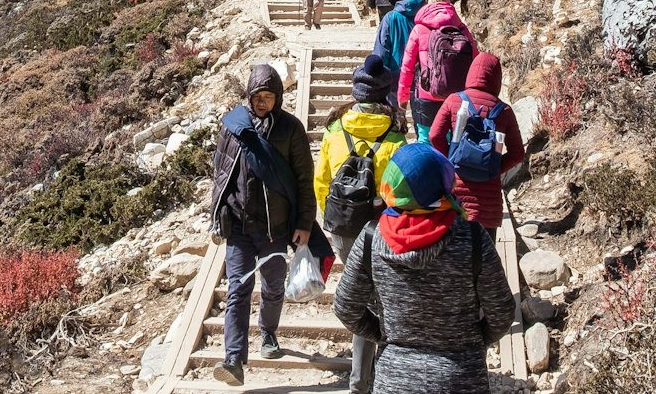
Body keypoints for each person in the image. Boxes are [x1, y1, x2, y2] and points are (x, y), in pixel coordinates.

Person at [332, 143, 515, 394]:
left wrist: (384, 336)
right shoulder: (471, 237)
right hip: (461, 376)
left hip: (395, 379)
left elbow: (346, 307)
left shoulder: (371, 239)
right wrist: (472, 342)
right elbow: (502, 312)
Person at [209, 65, 316, 386]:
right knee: (237, 289)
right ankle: (233, 359)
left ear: (278, 98)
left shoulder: (291, 129)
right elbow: (220, 174)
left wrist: (304, 223)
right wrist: (217, 216)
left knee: (272, 286)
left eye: (269, 97)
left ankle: (268, 332)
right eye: (258, 96)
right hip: (239, 226)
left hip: (276, 228)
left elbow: (304, 180)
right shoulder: (233, 126)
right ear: (249, 95)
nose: (262, 102)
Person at [313, 56, 404, 394]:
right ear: (384, 93)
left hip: (344, 230)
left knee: (361, 301)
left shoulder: (335, 130)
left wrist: (334, 218)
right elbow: (401, 189)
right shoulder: (395, 136)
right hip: (382, 231)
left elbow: (321, 181)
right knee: (382, 300)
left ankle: (359, 383)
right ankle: (378, 376)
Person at [426, 53, 527, 230]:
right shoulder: (504, 111)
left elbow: (435, 135)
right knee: (484, 248)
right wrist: (493, 168)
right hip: (487, 207)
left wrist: (451, 160)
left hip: (455, 198)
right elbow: (517, 154)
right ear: (497, 78)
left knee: (453, 247)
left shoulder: (454, 100)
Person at [398, 1, 477, 138]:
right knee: (455, 139)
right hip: (458, 96)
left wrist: (403, 97)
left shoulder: (419, 29)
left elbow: (407, 67)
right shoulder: (462, 29)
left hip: (427, 94)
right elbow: (476, 62)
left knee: (426, 139)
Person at [372, 0, 423, 75]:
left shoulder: (391, 17)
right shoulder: (428, 14)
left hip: (396, 72)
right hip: (422, 73)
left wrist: (379, 74)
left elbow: (382, 49)